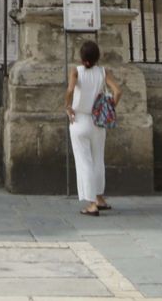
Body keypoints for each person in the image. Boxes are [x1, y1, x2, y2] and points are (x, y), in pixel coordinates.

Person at [65, 39, 122, 216]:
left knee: (84, 163)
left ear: (82, 57)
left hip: (80, 119)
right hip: (98, 121)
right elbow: (118, 91)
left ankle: (91, 204)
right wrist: (111, 105)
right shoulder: (103, 72)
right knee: (98, 160)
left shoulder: (76, 71)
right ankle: (100, 197)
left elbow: (70, 91)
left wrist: (68, 107)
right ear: (98, 56)